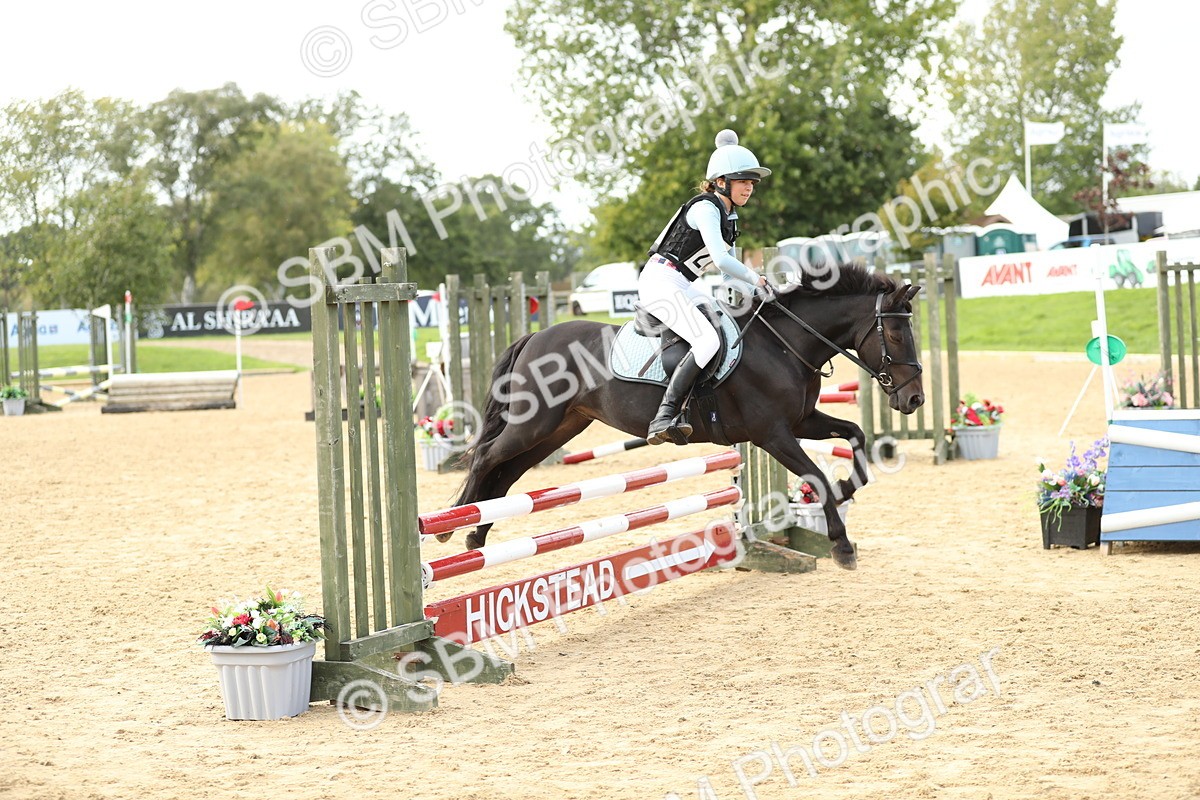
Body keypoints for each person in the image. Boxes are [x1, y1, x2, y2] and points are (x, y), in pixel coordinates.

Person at [639, 129, 773, 445]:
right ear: (721, 182)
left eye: (752, 183)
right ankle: (665, 415)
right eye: (743, 181)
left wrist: (761, 294)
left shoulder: (730, 217)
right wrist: (757, 279)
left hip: (684, 283)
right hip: (660, 281)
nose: (749, 188)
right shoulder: (706, 208)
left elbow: (728, 277)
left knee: (725, 327)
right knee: (707, 342)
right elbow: (723, 262)